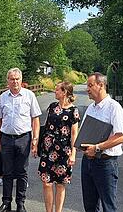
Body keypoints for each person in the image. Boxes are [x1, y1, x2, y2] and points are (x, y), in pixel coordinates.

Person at [0, 68, 42, 212]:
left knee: (22, 172)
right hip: (6, 138)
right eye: (11, 79)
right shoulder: (2, 97)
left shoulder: (29, 95)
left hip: (24, 139)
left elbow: (35, 119)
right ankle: (6, 203)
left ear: (21, 80)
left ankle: (20, 203)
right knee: (6, 172)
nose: (14, 81)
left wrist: (35, 140)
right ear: (7, 81)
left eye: (17, 79)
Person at [80, 72, 123, 212]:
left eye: (90, 85)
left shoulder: (114, 107)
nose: (87, 89)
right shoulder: (90, 108)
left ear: (101, 85)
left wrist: (98, 147)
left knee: (108, 206)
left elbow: (120, 136)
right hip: (88, 161)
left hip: (106, 163)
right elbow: (84, 133)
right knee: (90, 205)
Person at [38, 82, 80, 212]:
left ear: (65, 92)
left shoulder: (74, 111)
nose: (55, 92)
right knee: (46, 182)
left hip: (64, 150)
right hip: (48, 149)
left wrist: (73, 153)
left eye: (57, 90)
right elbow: (45, 127)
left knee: (61, 184)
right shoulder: (52, 107)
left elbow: (74, 134)